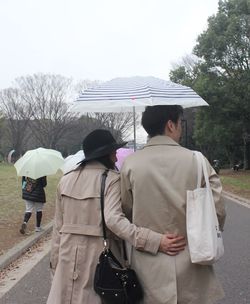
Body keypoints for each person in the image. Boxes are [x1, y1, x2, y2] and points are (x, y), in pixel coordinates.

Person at [47, 129, 186, 304]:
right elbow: (114, 220)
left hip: (66, 260)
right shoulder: (111, 179)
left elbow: (57, 231)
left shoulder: (65, 181)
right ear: (105, 154)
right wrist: (155, 241)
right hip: (100, 261)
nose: (115, 155)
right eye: (113, 150)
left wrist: (54, 268)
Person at [120, 105, 226, 304]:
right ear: (170, 125)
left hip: (148, 263)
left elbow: (125, 210)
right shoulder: (197, 161)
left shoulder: (131, 164)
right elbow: (217, 209)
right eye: (179, 124)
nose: (180, 129)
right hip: (192, 259)